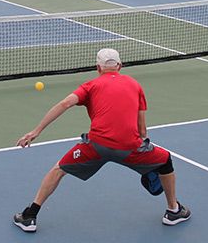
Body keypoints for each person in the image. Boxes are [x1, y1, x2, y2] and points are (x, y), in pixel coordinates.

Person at [13, 48, 191, 233]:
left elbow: (65, 103)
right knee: (165, 160)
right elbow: (142, 130)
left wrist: (36, 131)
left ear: (97, 67)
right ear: (120, 66)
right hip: (130, 148)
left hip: (96, 147)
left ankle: (29, 216)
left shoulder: (89, 86)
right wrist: (145, 155)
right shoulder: (135, 85)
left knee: (58, 169)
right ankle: (173, 210)